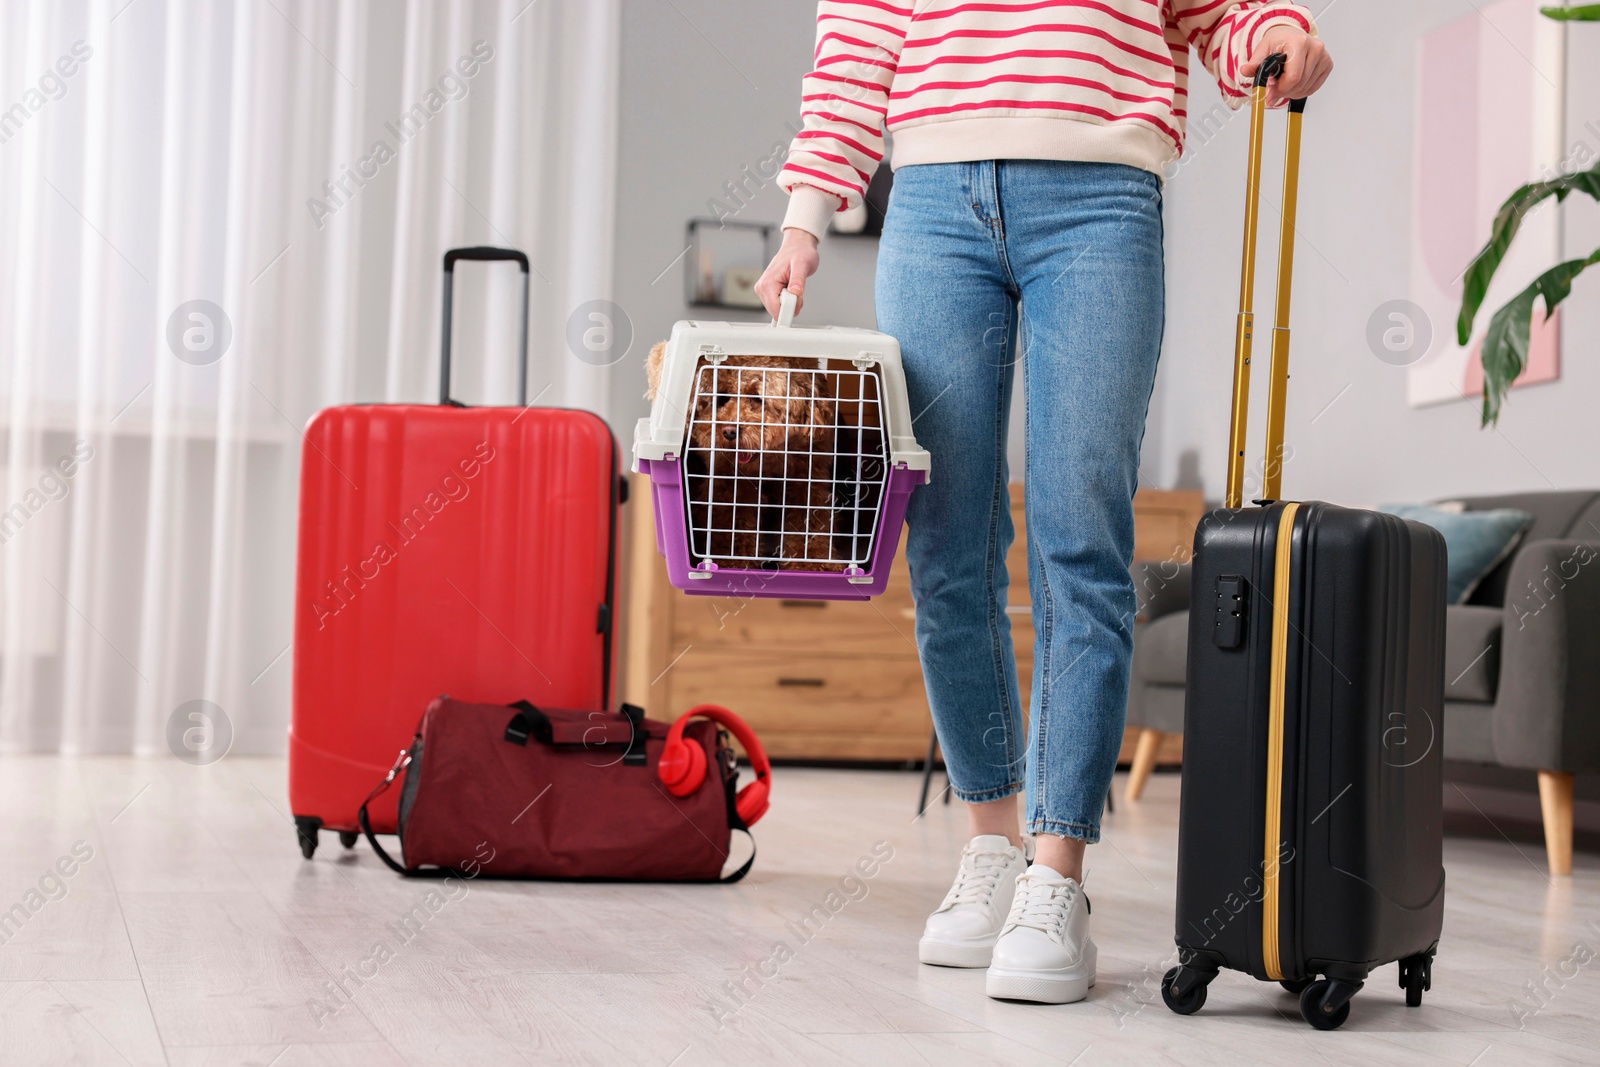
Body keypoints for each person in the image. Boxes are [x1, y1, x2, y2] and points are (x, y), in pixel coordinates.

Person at [755, 1, 1332, 1005]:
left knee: (1081, 539)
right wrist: (806, 218)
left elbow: (1218, 14)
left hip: (1102, 197)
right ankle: (990, 844)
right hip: (930, 199)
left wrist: (1277, 40)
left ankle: (1055, 872)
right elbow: (854, 49)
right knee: (945, 543)